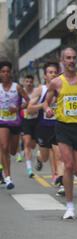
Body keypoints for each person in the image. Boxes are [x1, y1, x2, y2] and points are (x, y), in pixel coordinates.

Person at [43, 48, 77, 220]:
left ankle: (68, 184)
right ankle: (70, 206)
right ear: (62, 60)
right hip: (63, 127)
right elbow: (46, 103)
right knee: (68, 165)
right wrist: (48, 110)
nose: (71, 61)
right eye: (68, 58)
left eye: (74, 58)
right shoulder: (56, 83)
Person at [28, 62, 65, 194]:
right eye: (50, 72)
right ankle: (38, 157)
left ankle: (61, 182)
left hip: (58, 126)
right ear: (45, 76)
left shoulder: (62, 88)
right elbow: (30, 108)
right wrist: (44, 105)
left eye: (55, 72)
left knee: (60, 155)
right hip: (43, 127)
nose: (53, 74)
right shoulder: (40, 90)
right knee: (44, 157)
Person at [0, 61, 30, 190]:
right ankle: (8, 178)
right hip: (2, 122)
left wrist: (18, 108)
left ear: (11, 73)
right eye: (3, 71)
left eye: (7, 71)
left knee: (12, 151)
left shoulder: (17, 87)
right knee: (4, 146)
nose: (5, 74)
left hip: (15, 122)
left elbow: (27, 101)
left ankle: (6, 173)